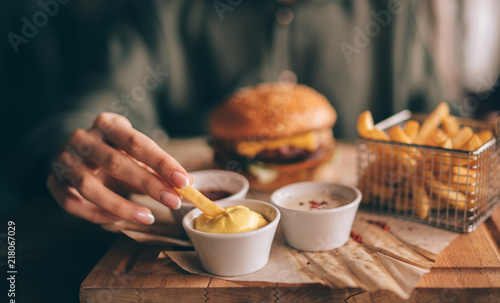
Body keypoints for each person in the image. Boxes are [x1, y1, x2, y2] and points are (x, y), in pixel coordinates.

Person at [3, 0, 443, 223]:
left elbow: (441, 124)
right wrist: (74, 146)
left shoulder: (392, 13)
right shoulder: (163, 9)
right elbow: (98, 102)